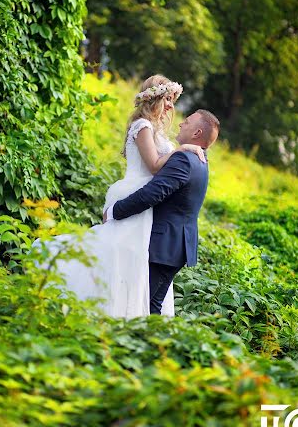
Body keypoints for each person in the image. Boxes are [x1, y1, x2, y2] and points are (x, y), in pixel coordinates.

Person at [31, 74, 205, 318]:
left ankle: (128, 314)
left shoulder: (158, 131)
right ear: (154, 98)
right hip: (135, 192)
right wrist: (183, 150)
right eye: (167, 99)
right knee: (118, 255)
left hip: (148, 203)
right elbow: (155, 165)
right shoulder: (142, 126)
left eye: (172, 100)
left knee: (132, 261)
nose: (170, 106)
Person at [104, 108, 220, 314]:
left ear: (197, 134)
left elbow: (151, 194)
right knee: (150, 305)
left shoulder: (184, 160)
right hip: (175, 245)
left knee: (144, 306)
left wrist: (114, 211)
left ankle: (141, 343)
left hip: (164, 245)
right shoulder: (201, 160)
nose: (182, 122)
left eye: (188, 121)